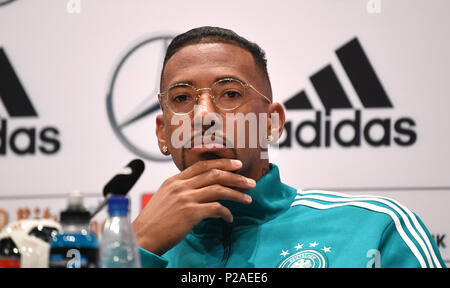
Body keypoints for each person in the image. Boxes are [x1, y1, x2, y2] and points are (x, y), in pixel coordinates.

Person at [132, 26, 445, 268]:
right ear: (163, 133)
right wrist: (133, 249)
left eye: (229, 94)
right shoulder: (129, 246)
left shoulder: (377, 227)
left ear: (272, 123)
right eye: (182, 98)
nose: (203, 115)